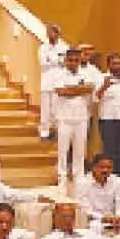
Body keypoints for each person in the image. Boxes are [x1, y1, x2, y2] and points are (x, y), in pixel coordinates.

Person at [50, 48, 95, 189]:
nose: (74, 63)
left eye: (77, 60)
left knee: (80, 150)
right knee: (62, 150)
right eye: (71, 60)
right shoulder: (58, 74)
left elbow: (90, 88)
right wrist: (80, 89)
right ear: (66, 60)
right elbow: (61, 92)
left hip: (82, 117)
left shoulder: (86, 74)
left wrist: (72, 89)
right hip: (64, 117)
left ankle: (78, 176)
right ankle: (62, 176)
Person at [95, 53, 120, 175]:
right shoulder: (100, 78)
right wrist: (104, 86)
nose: (117, 66)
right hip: (107, 120)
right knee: (109, 150)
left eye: (119, 63)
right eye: (114, 63)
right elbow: (95, 99)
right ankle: (108, 176)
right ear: (108, 65)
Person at [76, 155, 120, 234]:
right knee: (96, 227)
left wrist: (118, 216)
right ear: (94, 168)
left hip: (113, 218)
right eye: (101, 167)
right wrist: (103, 218)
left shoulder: (117, 181)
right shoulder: (83, 183)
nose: (105, 170)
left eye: (109, 167)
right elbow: (85, 209)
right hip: (95, 220)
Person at [37, 25, 69, 140]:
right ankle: (44, 131)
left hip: (59, 81)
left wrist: (52, 59)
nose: (49, 34)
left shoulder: (64, 47)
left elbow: (65, 63)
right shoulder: (43, 47)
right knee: (45, 108)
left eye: (51, 32)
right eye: (48, 32)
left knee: (57, 108)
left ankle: (56, 131)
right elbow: (43, 63)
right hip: (46, 80)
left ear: (57, 33)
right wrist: (56, 60)